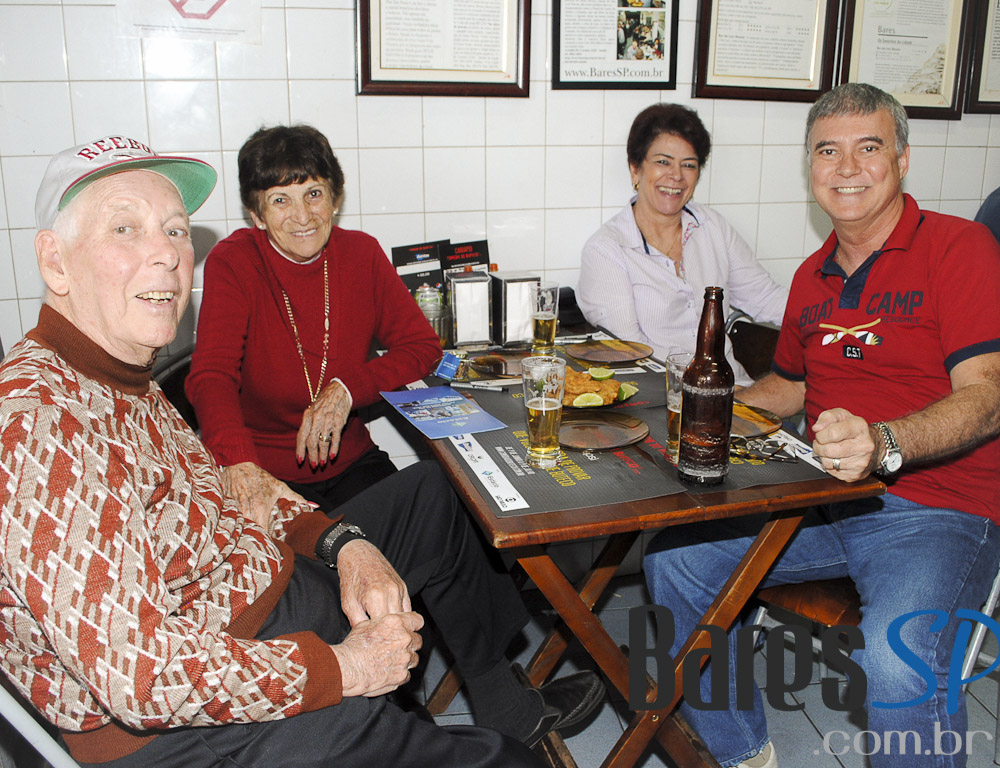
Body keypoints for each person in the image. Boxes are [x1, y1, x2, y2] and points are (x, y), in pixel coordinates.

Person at [0, 136, 604, 768]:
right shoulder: (40, 422)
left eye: (175, 231)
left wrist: (346, 543)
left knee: (433, 492)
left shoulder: (129, 383)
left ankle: (488, 702)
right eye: (125, 229)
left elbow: (232, 504)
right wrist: (341, 669)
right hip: (194, 711)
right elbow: (145, 677)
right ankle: (412, 722)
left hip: (261, 592)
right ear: (55, 261)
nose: (165, 256)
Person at [644, 83, 1000, 768]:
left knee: (900, 662)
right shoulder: (811, 275)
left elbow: (986, 397)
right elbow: (788, 388)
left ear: (900, 159)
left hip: (941, 511)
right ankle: (742, 752)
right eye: (827, 151)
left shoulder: (962, 248)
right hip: (824, 497)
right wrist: (702, 403)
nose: (846, 168)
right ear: (810, 168)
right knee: (675, 560)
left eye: (868, 148)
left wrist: (885, 442)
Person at [186, 125, 443, 525]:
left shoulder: (362, 253)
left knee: (437, 512)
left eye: (314, 193)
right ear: (256, 214)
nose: (302, 216)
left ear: (335, 198)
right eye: (280, 200)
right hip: (263, 469)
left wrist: (345, 391)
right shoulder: (232, 262)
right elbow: (211, 375)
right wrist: (239, 463)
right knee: (324, 571)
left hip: (350, 462)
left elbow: (422, 347)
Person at [577, 104, 787, 387]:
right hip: (663, 401)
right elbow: (632, 358)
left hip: (734, 393)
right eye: (663, 162)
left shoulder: (712, 227)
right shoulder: (607, 251)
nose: (676, 175)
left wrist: (834, 320)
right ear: (635, 169)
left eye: (688, 164)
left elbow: (765, 298)